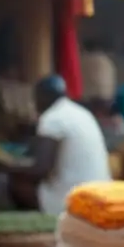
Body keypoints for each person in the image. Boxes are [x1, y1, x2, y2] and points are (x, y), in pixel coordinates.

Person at [9, 75, 112, 215]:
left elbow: (41, 169)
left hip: (72, 201)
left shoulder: (52, 118)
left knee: (17, 184)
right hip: (101, 195)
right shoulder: (82, 113)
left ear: (42, 97)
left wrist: (2, 164)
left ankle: (39, 223)